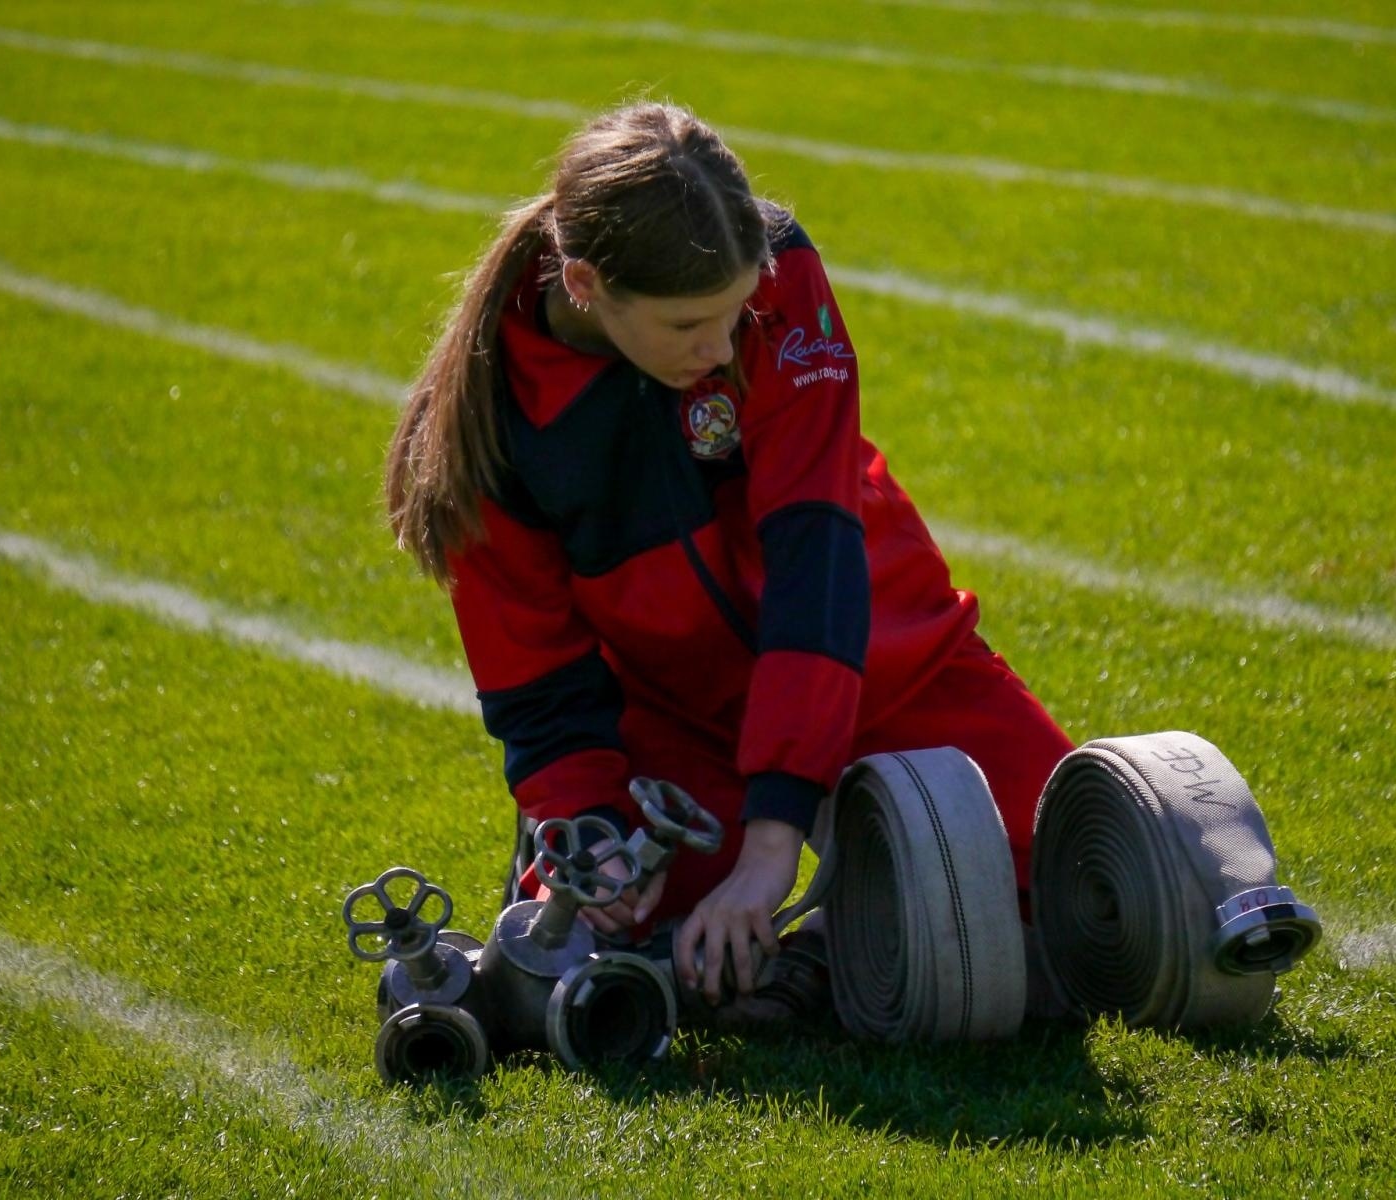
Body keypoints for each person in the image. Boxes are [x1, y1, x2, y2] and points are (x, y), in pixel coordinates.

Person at [384, 101, 1075, 1019]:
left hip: (878, 650)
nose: (720, 350)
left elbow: (816, 559)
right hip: (679, 722)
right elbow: (537, 684)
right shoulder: (490, 424)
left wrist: (772, 843)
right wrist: (597, 838)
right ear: (585, 284)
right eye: (687, 328)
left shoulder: (781, 270)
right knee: (637, 951)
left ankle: (832, 940)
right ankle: (817, 945)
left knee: (1072, 875)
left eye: (733, 315)